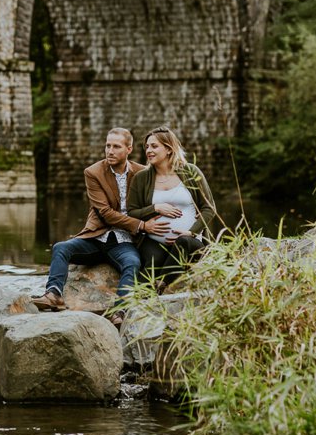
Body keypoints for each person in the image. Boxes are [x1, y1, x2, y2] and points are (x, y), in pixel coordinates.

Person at [31, 128, 146, 327]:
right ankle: (53, 294)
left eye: (116, 146)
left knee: (133, 263)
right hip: (97, 236)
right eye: (107, 145)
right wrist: (141, 224)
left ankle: (119, 310)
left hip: (124, 241)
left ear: (129, 149)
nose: (110, 151)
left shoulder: (143, 173)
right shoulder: (93, 172)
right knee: (61, 248)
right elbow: (106, 213)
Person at [127, 125, 218, 289]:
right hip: (154, 241)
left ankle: (163, 283)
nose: (149, 150)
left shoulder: (190, 171)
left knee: (183, 242)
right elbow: (132, 211)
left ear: (169, 149)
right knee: (148, 270)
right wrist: (155, 208)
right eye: (147, 146)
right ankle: (129, 308)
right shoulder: (141, 178)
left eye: (154, 146)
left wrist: (192, 232)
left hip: (189, 241)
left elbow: (209, 208)